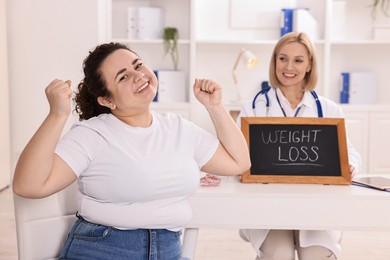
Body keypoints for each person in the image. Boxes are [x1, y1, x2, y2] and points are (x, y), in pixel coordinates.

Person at [12, 42, 251, 260]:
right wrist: (57, 114)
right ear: (107, 100)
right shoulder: (92, 134)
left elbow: (239, 163)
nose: (138, 76)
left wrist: (215, 107)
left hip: (168, 250)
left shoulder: (179, 128)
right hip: (102, 250)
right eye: (123, 76)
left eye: (138, 65)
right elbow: (29, 186)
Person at [236, 32, 361, 260]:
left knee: (316, 255)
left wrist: (348, 165)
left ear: (310, 65)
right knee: (279, 254)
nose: (288, 67)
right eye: (282, 58)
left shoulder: (329, 110)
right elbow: (235, 156)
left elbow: (350, 153)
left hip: (315, 208)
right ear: (274, 61)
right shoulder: (253, 108)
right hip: (268, 207)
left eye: (298, 60)